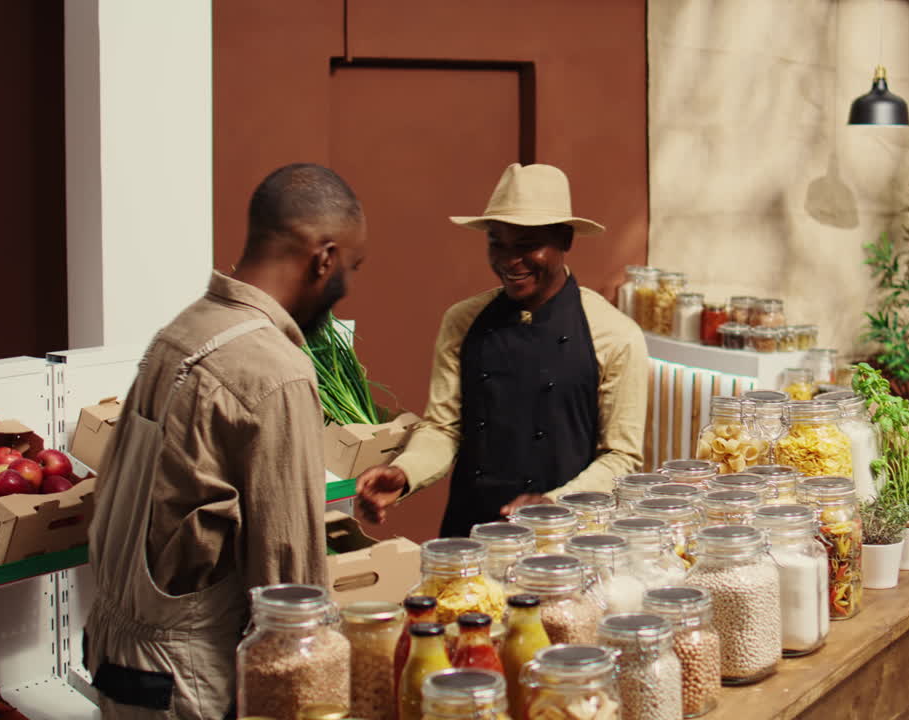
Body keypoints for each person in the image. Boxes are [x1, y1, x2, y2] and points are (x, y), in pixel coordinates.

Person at [84, 163, 367, 719]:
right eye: (352, 267)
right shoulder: (273, 369)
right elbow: (291, 589)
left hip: (123, 663)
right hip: (190, 680)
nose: (347, 287)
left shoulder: (187, 329)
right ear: (324, 258)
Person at [356, 163, 646, 536]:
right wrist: (404, 471)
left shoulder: (616, 335)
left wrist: (555, 504)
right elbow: (443, 428)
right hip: (470, 530)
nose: (509, 261)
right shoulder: (461, 321)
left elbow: (621, 458)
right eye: (497, 243)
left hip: (567, 540)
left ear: (565, 241)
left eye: (527, 246)